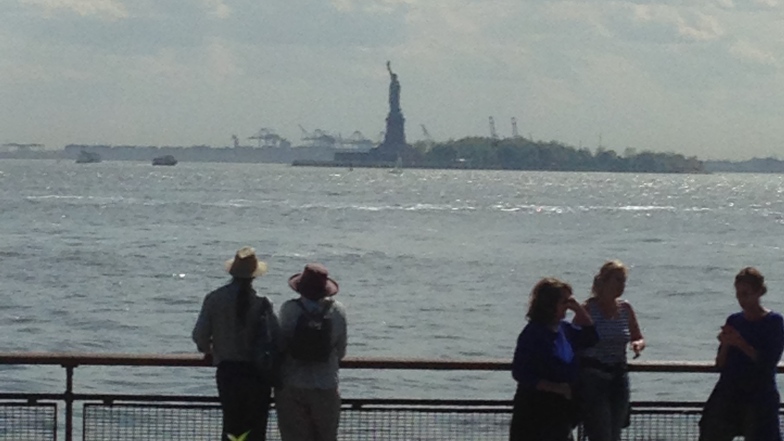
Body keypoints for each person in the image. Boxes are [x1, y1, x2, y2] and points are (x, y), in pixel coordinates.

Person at [192, 247, 278, 441]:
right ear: (254, 276)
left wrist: (210, 351)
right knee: (256, 429)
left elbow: (200, 336)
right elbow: (277, 339)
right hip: (257, 375)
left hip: (228, 372)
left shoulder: (214, 298)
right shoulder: (263, 302)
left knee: (232, 425)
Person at [699, 267, 784, 441]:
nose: (742, 300)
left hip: (759, 395)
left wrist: (741, 343)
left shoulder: (774, 322)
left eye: (746, 294)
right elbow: (720, 364)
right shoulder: (734, 320)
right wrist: (725, 344)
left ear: (759, 292)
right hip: (729, 392)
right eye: (739, 295)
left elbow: (768, 362)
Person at [510, 277, 598, 441]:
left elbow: (591, 337)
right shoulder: (533, 333)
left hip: (561, 410)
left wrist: (578, 309)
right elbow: (520, 372)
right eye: (564, 301)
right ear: (550, 304)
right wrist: (554, 387)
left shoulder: (565, 329)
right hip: (535, 409)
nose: (568, 305)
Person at [276, 263, 347, 441]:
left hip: (293, 383)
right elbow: (341, 351)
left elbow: (279, 345)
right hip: (326, 384)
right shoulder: (338, 311)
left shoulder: (289, 309)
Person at [576, 260, 645, 441]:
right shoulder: (588, 309)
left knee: (615, 432)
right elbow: (573, 339)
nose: (621, 286)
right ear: (604, 282)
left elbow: (637, 335)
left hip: (618, 376)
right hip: (594, 376)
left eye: (623, 281)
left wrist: (637, 344)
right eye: (617, 280)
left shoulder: (625, 308)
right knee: (600, 433)